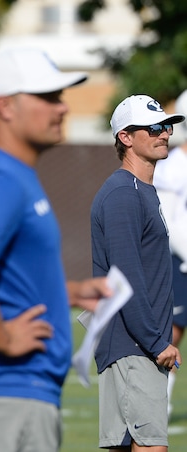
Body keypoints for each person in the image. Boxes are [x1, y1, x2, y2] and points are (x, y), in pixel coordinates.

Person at [0, 47, 112, 452]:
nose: (62, 109)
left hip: (17, 394)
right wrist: (2, 337)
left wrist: (64, 293)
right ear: (5, 106)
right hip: (2, 395)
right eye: (48, 97)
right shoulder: (1, 175)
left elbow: (2, 269)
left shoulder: (15, 174)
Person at [91, 94, 184, 450]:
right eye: (154, 128)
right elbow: (125, 280)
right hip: (132, 348)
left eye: (167, 126)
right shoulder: (122, 195)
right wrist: (156, 341)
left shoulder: (142, 191)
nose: (164, 134)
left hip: (138, 347)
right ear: (125, 137)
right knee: (150, 446)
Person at [154, 89, 187, 419]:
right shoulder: (173, 167)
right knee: (172, 333)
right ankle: (158, 404)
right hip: (180, 262)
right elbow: (171, 220)